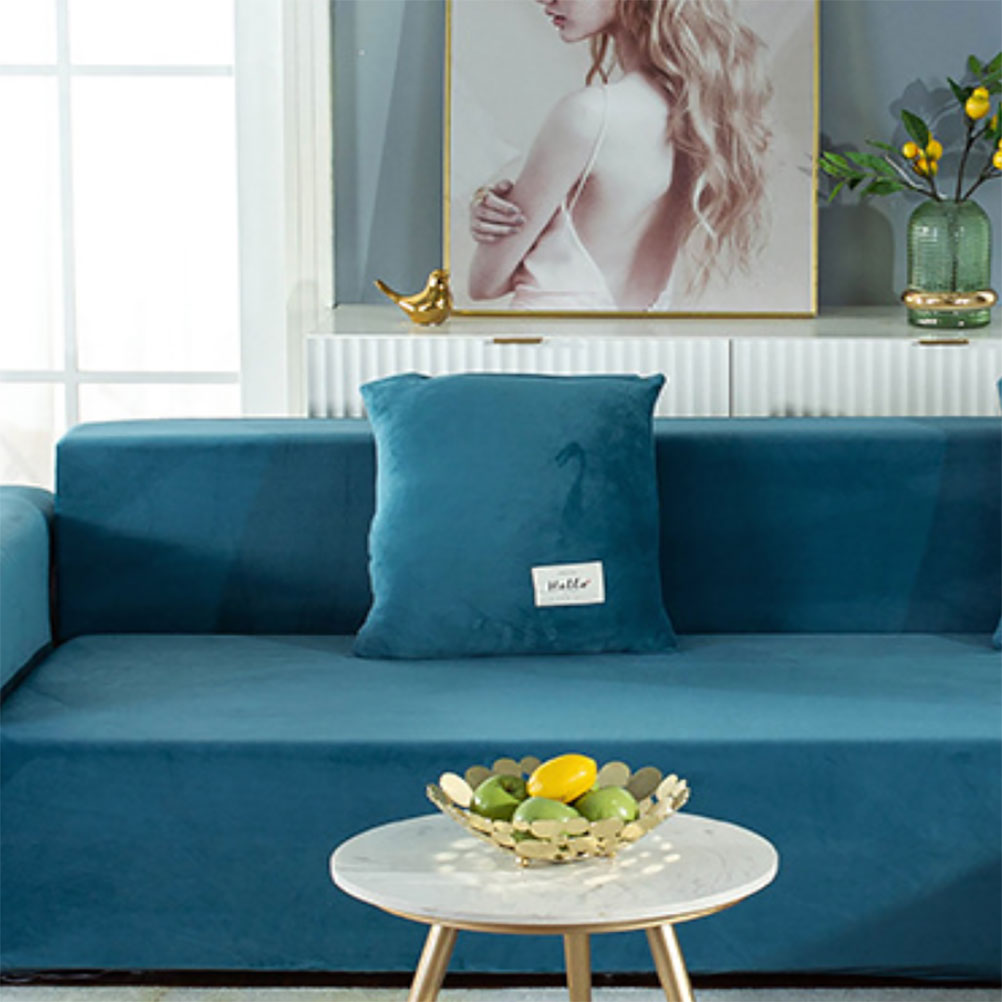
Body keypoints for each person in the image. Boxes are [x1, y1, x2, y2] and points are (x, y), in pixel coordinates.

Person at [466, 0, 772, 311]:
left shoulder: (590, 115)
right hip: (639, 339)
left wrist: (497, 224)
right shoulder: (700, 118)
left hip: (549, 340)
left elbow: (484, 284)